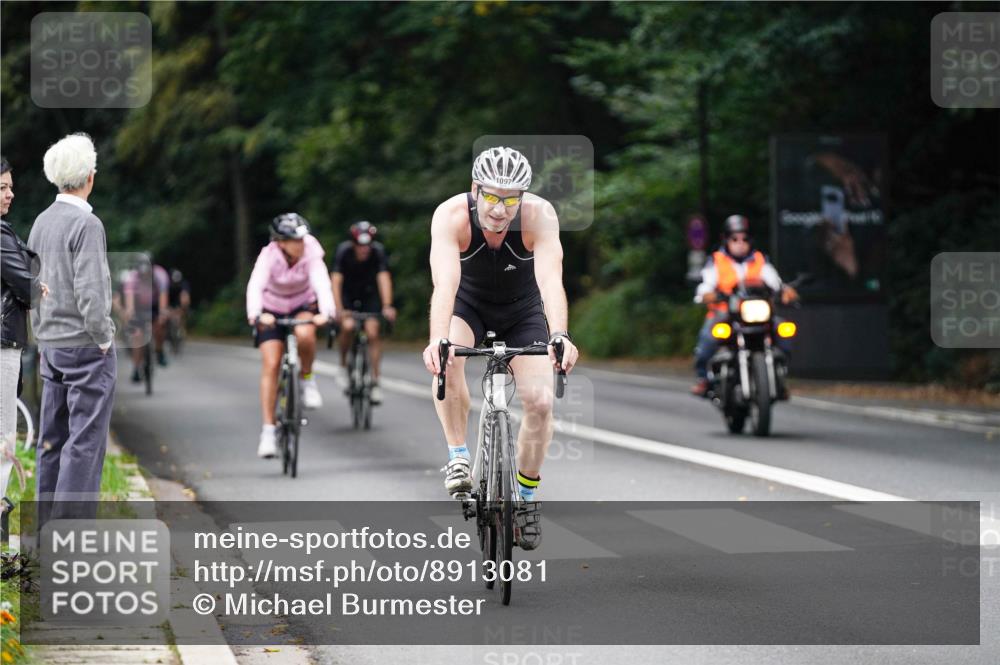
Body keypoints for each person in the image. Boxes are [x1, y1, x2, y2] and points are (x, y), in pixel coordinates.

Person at [422, 146, 579, 550]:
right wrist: (438, 339)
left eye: (511, 198)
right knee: (450, 355)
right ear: (475, 190)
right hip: (467, 307)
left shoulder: (538, 216)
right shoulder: (451, 216)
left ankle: (525, 499)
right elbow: (445, 284)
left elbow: (550, 278)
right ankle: (458, 454)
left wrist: (559, 333)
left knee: (541, 402)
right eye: (492, 196)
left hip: (522, 311)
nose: (500, 208)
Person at [28, 133, 117, 512]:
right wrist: (104, 337)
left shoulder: (41, 221)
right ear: (90, 177)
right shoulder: (87, 225)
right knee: (84, 443)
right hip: (84, 345)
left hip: (50, 344)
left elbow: (30, 282)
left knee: (51, 440)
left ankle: (47, 533)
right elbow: (92, 293)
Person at [246, 213, 334, 458]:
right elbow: (255, 285)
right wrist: (256, 314)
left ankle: (307, 379)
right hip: (271, 310)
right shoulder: (268, 256)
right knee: (272, 364)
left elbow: (322, 283)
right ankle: (268, 432)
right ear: (281, 242)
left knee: (306, 333)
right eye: (295, 240)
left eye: (302, 238)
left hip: (301, 305)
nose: (301, 244)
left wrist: (326, 313)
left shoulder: (312, 251)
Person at [691, 214, 798, 396]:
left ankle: (779, 376)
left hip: (757, 314)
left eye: (745, 238)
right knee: (707, 339)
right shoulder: (716, 261)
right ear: (726, 240)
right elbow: (707, 283)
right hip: (726, 314)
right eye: (735, 238)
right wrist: (706, 294)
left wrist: (785, 291)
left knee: (784, 331)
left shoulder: (759, 260)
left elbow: (775, 282)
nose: (740, 243)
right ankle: (704, 379)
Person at [1, 157, 46, 500]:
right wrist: (36, 285)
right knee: (3, 436)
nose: (9, 195)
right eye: (2, 188)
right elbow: (29, 288)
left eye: (10, 187)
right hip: (3, 344)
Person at [331, 221, 396, 404]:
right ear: (353, 244)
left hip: (369, 294)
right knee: (348, 326)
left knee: (373, 331)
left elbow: (383, 278)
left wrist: (387, 305)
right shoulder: (343, 252)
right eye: (360, 245)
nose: (364, 249)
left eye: (367, 245)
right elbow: (336, 281)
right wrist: (338, 309)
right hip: (348, 295)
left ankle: (375, 381)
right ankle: (343, 365)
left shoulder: (378, 252)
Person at [121, 257, 170, 381]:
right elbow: (129, 300)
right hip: (139, 305)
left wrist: (162, 313)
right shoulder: (131, 278)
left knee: (161, 323)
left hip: (154, 304)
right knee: (137, 335)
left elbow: (163, 297)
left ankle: (159, 350)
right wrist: (130, 313)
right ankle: (136, 368)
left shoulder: (160, 274)